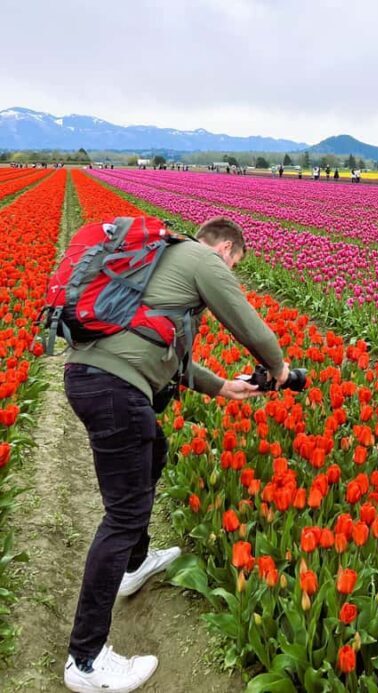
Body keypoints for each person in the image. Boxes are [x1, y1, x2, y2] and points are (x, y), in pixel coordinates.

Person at [62, 217, 290, 692]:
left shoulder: (160, 261)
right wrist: (279, 368)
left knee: (154, 452)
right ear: (226, 248)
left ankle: (135, 563)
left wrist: (222, 386)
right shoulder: (203, 258)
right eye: (235, 263)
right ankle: (85, 660)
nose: (231, 269)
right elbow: (247, 323)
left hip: (93, 377)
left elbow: (166, 353)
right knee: (122, 514)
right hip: (115, 389)